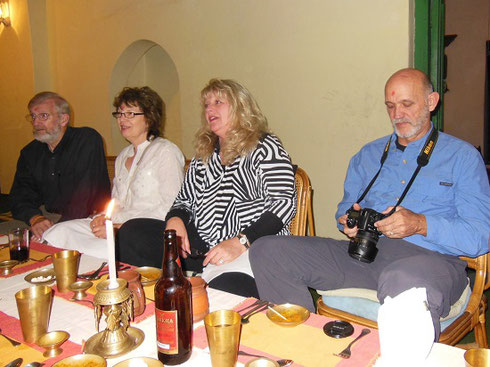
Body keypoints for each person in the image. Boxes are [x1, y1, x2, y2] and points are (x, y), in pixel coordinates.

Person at [250, 69, 490, 343]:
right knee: (268, 250)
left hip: (431, 264)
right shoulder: (368, 155)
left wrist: (420, 224)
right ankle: (300, 348)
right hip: (364, 255)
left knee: (400, 280)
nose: (397, 114)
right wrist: (348, 221)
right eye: (390, 106)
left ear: (432, 101)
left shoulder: (463, 158)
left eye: (407, 104)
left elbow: (481, 235)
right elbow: (345, 209)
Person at [165, 78, 297, 297]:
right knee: (136, 234)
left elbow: (284, 203)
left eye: (218, 102)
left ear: (240, 107)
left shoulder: (264, 146)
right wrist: (175, 219)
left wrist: (241, 241)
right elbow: (184, 200)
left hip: (255, 247)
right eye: (206, 104)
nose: (209, 109)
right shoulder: (204, 155)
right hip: (204, 246)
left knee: (224, 288)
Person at [43, 87, 185, 265]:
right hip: (115, 225)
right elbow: (116, 203)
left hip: (145, 232)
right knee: (58, 232)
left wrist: (120, 229)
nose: (122, 119)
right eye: (119, 114)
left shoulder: (166, 151)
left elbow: (171, 207)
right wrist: (103, 217)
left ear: (149, 118)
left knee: (106, 249)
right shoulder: (123, 156)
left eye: (130, 114)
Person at [8, 92, 111, 239]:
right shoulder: (29, 152)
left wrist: (53, 232)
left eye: (43, 116)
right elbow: (20, 195)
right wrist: (35, 218)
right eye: (33, 116)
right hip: (45, 217)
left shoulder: (87, 139)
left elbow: (83, 198)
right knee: (11, 239)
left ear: (63, 119)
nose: (36, 123)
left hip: (90, 219)